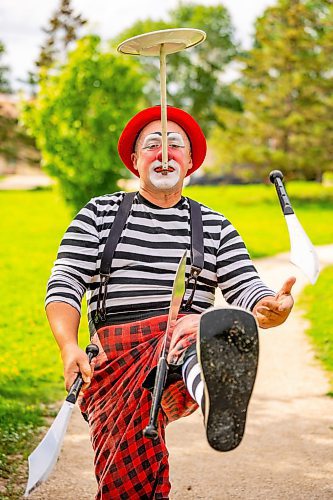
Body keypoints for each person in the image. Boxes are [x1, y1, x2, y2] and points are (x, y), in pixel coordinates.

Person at [45, 105, 295, 499]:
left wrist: (269, 306)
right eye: (152, 146)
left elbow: (247, 287)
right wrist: (68, 345)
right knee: (127, 477)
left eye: (175, 145)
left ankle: (212, 390)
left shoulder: (214, 225)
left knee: (191, 326)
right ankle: (205, 385)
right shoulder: (99, 214)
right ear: (135, 161)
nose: (164, 154)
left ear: (191, 161)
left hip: (184, 349)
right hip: (115, 360)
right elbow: (64, 281)